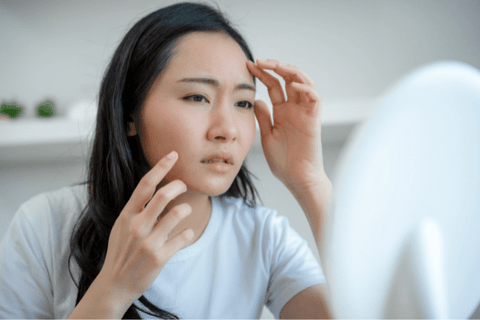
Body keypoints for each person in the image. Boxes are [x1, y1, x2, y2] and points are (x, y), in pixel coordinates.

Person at [0, 2, 332, 319]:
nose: (227, 130)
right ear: (129, 112)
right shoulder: (43, 225)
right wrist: (113, 291)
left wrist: (311, 182)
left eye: (243, 103)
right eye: (197, 97)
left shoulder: (264, 237)